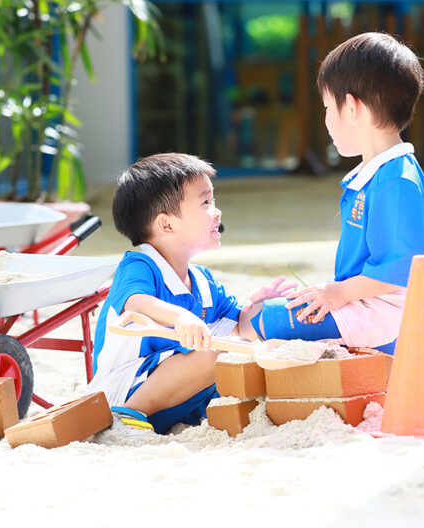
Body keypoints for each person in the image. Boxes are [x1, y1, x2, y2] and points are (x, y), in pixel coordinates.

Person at [240, 32, 424, 355]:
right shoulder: (378, 175)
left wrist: (337, 292)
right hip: (369, 307)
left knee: (261, 319)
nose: (325, 120)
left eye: (326, 107)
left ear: (350, 107)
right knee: (266, 313)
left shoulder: (397, 180)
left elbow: (402, 269)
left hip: (391, 319)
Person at [86, 153, 294, 436]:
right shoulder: (140, 266)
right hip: (124, 390)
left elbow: (238, 326)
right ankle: (126, 416)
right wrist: (181, 317)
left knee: (237, 341)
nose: (216, 211)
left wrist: (253, 306)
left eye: (214, 201)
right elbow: (136, 303)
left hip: (179, 402)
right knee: (213, 353)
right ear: (166, 225)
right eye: (206, 202)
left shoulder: (203, 282)